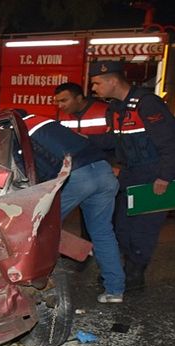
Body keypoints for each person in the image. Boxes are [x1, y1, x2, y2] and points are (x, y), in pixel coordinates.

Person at [87, 61, 175, 291]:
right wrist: (83, 139)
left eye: (97, 83)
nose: (93, 89)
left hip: (153, 175)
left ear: (112, 81)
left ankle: (134, 276)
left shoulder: (147, 105)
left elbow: (170, 142)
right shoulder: (116, 109)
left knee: (142, 231)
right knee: (122, 228)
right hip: (130, 174)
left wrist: (165, 177)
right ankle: (121, 272)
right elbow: (114, 141)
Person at [19, 112, 126, 302]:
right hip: (104, 171)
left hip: (75, 176)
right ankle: (115, 290)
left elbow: (23, 168)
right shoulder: (47, 122)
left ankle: (34, 285)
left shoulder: (16, 130)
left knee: (39, 230)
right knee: (103, 232)